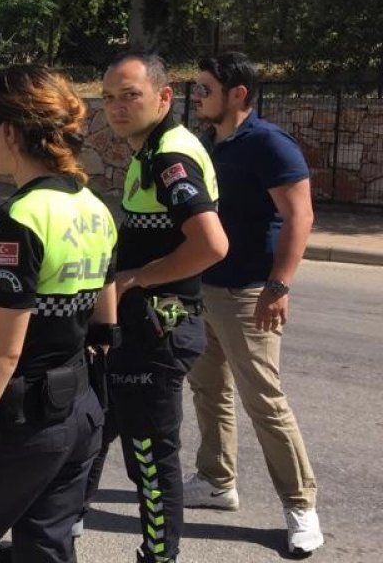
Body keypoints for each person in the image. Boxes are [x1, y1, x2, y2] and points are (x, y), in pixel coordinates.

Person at [0, 65, 116, 562]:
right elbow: (105, 320)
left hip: (23, 425)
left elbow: (2, 355)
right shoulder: (96, 208)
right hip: (78, 413)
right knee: (45, 550)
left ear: (8, 130)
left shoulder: (21, 220)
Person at [81, 52, 229, 563]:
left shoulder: (171, 157)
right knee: (92, 434)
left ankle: (159, 556)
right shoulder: (152, 150)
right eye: (109, 98)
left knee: (148, 454)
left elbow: (211, 245)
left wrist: (133, 278)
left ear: (164, 98)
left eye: (130, 96)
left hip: (157, 332)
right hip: (134, 331)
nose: (117, 108)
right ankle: (58, 538)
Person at [185, 52, 322, 555]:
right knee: (208, 391)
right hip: (203, 287)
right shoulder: (208, 144)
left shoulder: (269, 144)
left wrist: (279, 285)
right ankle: (217, 482)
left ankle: (300, 506)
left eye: (205, 89)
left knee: (264, 401)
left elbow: (299, 216)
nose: (198, 97)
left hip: (249, 294)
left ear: (238, 93)